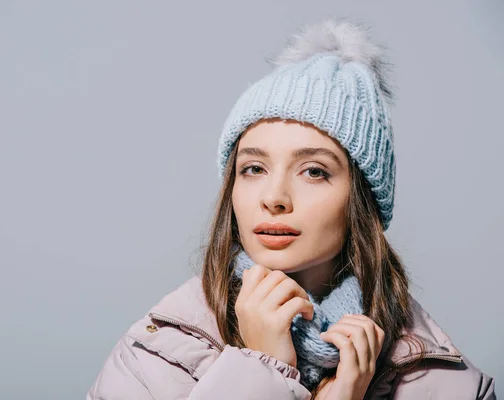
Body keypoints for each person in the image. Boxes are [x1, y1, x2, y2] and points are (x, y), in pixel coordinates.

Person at [86, 19, 496, 399]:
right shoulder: (154, 355)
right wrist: (262, 369)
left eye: (314, 171)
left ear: (362, 198)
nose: (274, 196)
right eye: (253, 168)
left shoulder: (449, 383)